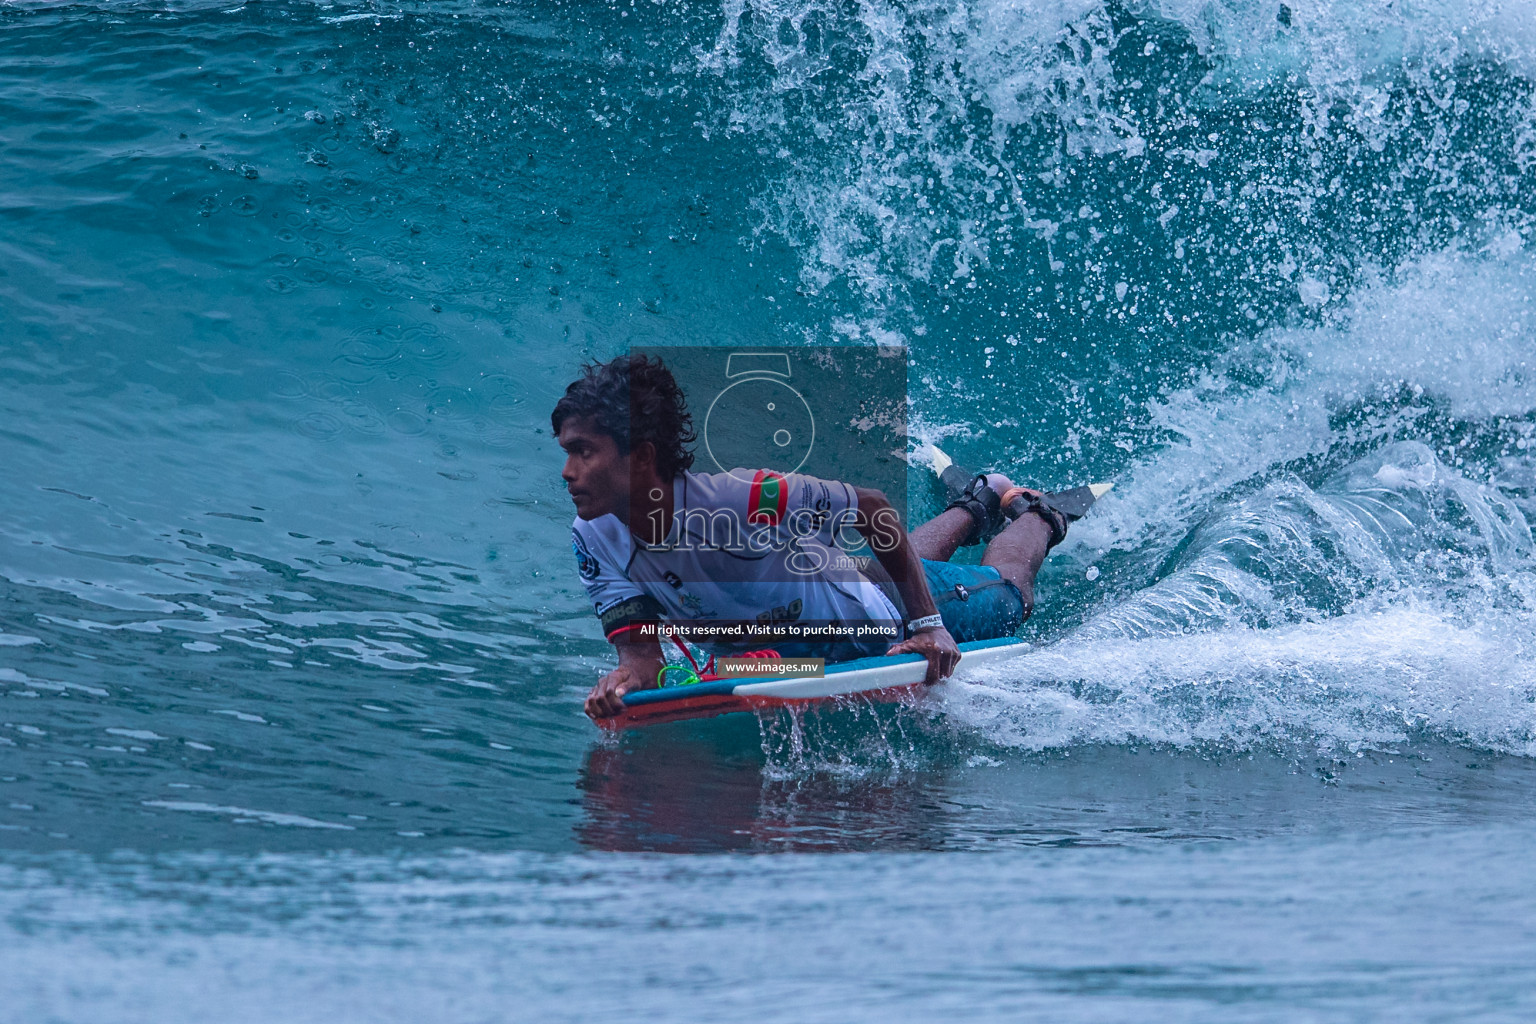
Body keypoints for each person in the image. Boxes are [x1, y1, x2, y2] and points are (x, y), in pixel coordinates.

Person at [554, 354, 1070, 720]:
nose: (567, 472)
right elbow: (641, 658)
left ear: (641, 457)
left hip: (877, 621)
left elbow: (871, 506)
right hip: (798, 643)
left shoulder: (741, 498)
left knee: (1010, 595)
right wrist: (624, 685)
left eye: (584, 452)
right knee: (877, 568)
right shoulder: (593, 537)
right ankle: (976, 501)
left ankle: (1032, 511)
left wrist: (928, 625)